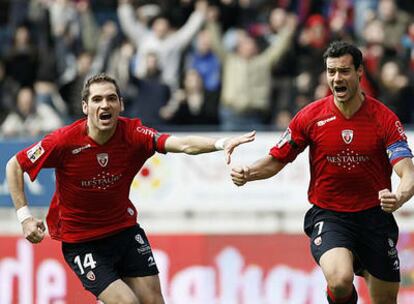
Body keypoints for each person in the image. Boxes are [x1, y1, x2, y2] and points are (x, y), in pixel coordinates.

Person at [6, 73, 255, 304]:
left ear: (121, 105)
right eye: (97, 99)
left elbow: (181, 144)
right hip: (82, 242)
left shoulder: (134, 133)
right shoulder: (63, 141)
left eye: (111, 98)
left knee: (155, 302)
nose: (105, 105)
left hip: (123, 231)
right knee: (128, 303)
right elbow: (15, 164)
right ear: (85, 107)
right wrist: (25, 218)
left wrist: (222, 143)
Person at [231, 41, 414, 304]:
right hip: (331, 216)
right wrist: (249, 172)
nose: (337, 78)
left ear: (360, 72)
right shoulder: (310, 117)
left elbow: (408, 172)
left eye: (344, 71)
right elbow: (276, 159)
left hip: (375, 218)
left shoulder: (384, 119)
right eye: (331, 72)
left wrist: (399, 197)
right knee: (339, 280)